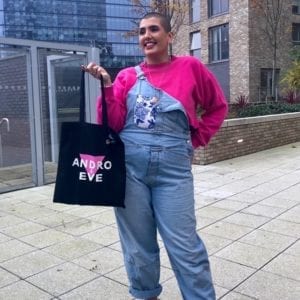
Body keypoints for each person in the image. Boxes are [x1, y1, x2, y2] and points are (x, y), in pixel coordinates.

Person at [83, 12, 228, 300]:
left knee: (185, 245)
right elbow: (112, 124)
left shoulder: (190, 67)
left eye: (153, 29)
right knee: (138, 246)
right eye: (141, 31)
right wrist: (108, 87)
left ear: (169, 36)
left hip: (174, 172)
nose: (146, 35)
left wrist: (196, 139)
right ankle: (145, 294)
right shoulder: (126, 76)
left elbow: (217, 106)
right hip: (129, 170)